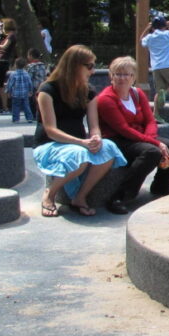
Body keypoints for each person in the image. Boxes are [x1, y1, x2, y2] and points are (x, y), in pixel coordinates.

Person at [33, 44, 126, 218]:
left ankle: (80, 197)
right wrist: (82, 142)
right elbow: (51, 130)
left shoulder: (89, 91)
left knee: (109, 148)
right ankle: (50, 194)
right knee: (79, 155)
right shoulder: (47, 91)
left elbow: (93, 125)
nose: (92, 71)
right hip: (50, 144)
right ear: (74, 65)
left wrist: (96, 138)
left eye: (94, 66)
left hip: (77, 143)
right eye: (89, 66)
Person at [95, 56, 169, 214]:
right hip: (117, 139)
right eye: (118, 74)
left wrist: (152, 139)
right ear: (111, 76)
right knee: (152, 152)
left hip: (139, 137)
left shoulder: (137, 94)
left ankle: (161, 186)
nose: (122, 78)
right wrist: (155, 143)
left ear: (133, 77)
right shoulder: (106, 99)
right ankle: (119, 197)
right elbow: (123, 129)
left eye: (127, 74)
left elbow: (150, 121)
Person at [140, 10, 169, 110]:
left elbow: (141, 39)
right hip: (168, 66)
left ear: (153, 27)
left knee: (159, 91)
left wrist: (147, 28)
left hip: (156, 67)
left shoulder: (149, 37)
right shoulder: (168, 35)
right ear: (164, 26)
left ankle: (156, 114)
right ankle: (164, 93)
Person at [7, 52, 36, 124]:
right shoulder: (26, 73)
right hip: (25, 93)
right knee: (26, 106)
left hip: (16, 94)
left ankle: (16, 119)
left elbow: (10, 84)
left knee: (16, 106)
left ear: (15, 65)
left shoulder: (13, 74)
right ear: (24, 65)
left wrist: (8, 91)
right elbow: (30, 83)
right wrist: (30, 91)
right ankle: (29, 118)